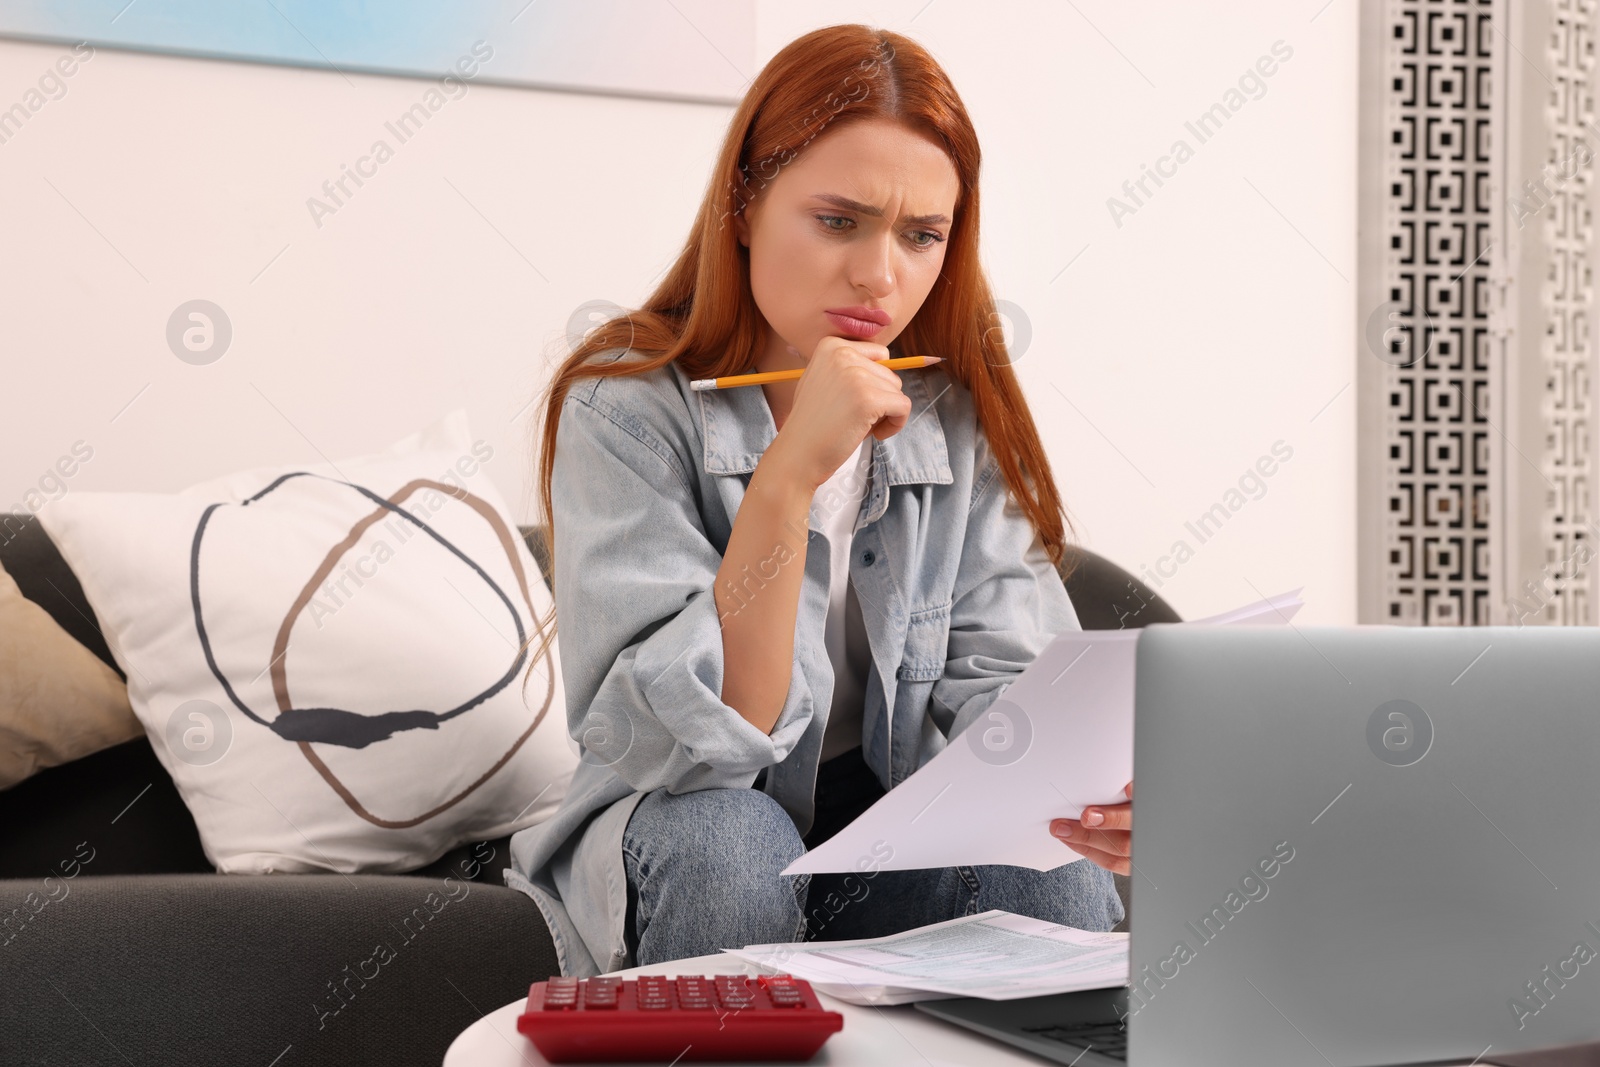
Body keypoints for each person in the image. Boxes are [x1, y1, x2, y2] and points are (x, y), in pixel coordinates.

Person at [504, 23, 1131, 978]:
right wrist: (790, 474)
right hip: (691, 816)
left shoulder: (952, 411)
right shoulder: (622, 407)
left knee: (1051, 861)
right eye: (839, 221)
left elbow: (1007, 692)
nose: (881, 276)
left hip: (881, 830)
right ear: (746, 205)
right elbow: (715, 734)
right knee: (735, 842)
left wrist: (1096, 792)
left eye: (923, 235)